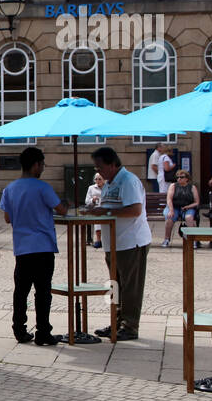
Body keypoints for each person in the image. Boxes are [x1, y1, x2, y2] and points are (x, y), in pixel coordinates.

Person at [81, 146, 152, 341]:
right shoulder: (110, 182)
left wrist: (105, 212)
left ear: (113, 164)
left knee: (130, 287)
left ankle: (129, 326)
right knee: (115, 285)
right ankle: (116, 320)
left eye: (100, 167)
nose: (98, 172)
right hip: (112, 243)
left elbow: (135, 210)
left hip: (131, 242)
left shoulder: (128, 181)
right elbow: (110, 206)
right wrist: (96, 209)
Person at [0, 147, 69, 346]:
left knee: (21, 291)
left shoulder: (10, 189)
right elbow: (62, 210)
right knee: (43, 292)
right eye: (43, 165)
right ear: (36, 164)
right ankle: (43, 332)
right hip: (43, 247)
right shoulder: (42, 188)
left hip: (22, 248)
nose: (43, 168)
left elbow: (6, 218)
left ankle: (19, 330)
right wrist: (66, 203)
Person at [162, 171, 200, 247]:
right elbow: (169, 199)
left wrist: (187, 207)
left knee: (189, 218)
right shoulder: (173, 186)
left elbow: (197, 202)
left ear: (187, 179)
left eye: (181, 177)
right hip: (174, 206)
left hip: (188, 207)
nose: (179, 179)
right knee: (169, 218)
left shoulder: (192, 187)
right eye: (177, 177)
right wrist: (171, 210)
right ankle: (166, 239)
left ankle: (193, 240)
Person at [84, 173, 105, 247]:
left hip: (105, 207)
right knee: (97, 216)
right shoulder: (91, 188)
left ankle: (105, 239)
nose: (97, 181)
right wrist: (92, 200)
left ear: (103, 180)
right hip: (95, 208)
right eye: (96, 179)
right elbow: (86, 201)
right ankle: (98, 240)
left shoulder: (107, 187)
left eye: (100, 179)